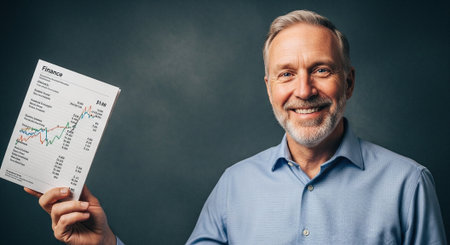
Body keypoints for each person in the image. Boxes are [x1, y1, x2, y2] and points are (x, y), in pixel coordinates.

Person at [25, 9, 447, 245]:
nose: (304, 90)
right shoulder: (234, 185)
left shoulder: (408, 184)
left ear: (349, 81)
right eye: (285, 74)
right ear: (269, 88)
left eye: (320, 70)